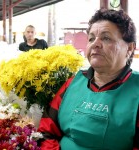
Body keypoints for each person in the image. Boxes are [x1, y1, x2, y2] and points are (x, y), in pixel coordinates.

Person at [37, 8, 139, 150]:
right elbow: (46, 131)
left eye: (106, 38)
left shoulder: (136, 90)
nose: (95, 44)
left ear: (129, 48)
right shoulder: (72, 84)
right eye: (91, 38)